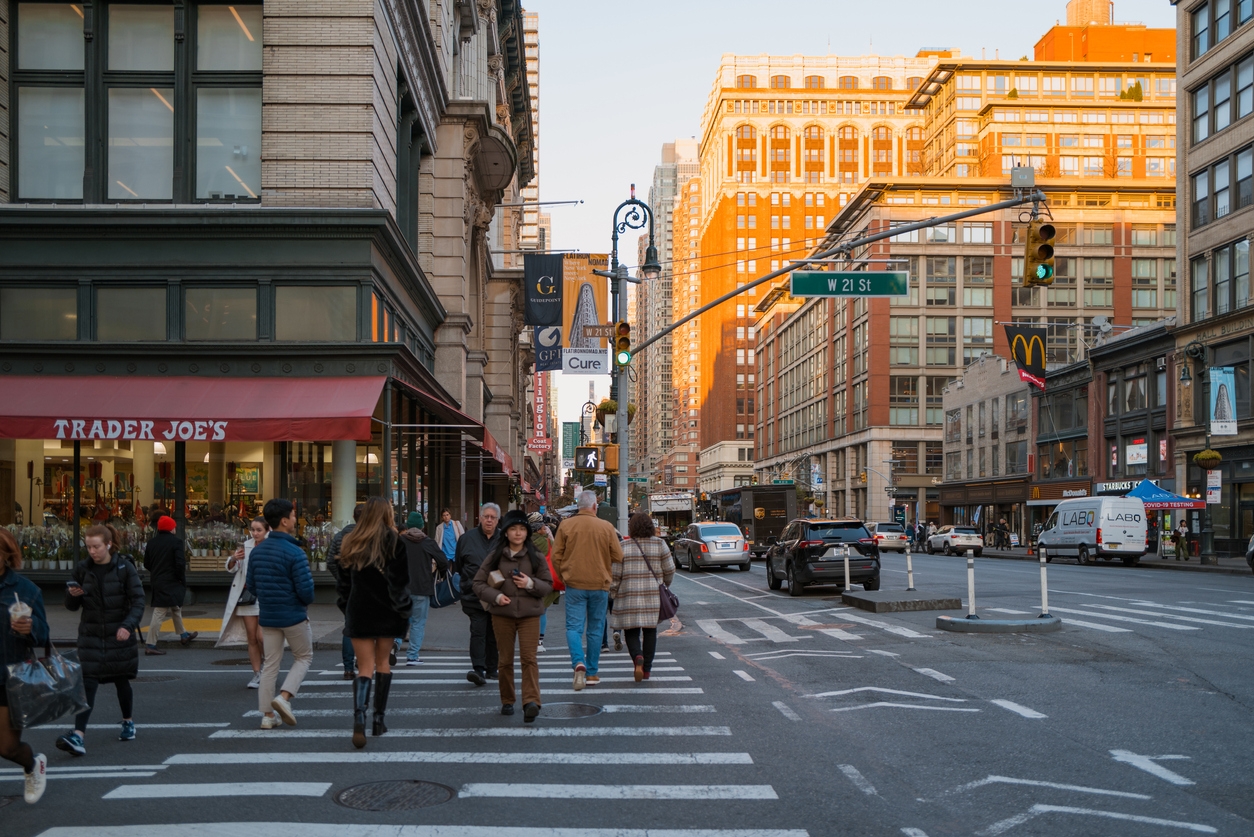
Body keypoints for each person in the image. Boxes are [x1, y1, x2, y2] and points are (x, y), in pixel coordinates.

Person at [56, 524, 145, 757]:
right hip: (91, 635)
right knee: (88, 684)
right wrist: (72, 596)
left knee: (121, 680)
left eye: (96, 546)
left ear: (108, 545)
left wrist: (128, 626)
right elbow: (71, 606)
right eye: (88, 546)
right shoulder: (82, 570)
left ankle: (128, 721)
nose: (92, 551)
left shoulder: (125, 568)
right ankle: (78, 735)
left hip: (119, 634)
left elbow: (138, 601)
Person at [337, 497, 412, 748]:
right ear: (387, 514)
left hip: (360, 611)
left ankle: (359, 715)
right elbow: (400, 583)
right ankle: (378, 720)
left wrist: (346, 608)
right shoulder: (394, 541)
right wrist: (404, 611)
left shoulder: (352, 541)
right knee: (383, 663)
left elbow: (343, 584)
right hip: (387, 611)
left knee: (364, 667)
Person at [472, 509, 553, 722]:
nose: (518, 533)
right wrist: (496, 597)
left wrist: (530, 584)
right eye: (513, 529)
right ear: (506, 532)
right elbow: (478, 583)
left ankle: (531, 702)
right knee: (505, 660)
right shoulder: (496, 555)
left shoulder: (535, 555)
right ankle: (507, 700)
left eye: (522, 529)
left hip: (530, 615)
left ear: (527, 532)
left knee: (529, 659)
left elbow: (548, 585)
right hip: (502, 615)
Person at [247, 498, 316, 729]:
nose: (296, 519)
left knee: (271, 664)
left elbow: (252, 587)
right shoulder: (295, 552)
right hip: (294, 614)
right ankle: (284, 697)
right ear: (285, 521)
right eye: (294, 516)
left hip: (268, 615)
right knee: (304, 656)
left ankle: (267, 715)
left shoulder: (257, 552)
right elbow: (306, 592)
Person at [552, 490, 623, 691]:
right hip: (600, 585)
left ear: (578, 506)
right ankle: (591, 673)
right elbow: (618, 556)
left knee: (574, 627)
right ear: (594, 506)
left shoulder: (565, 525)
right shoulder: (606, 527)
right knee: (595, 629)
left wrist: (564, 576)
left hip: (574, 584)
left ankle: (578, 662)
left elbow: (556, 556)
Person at [0, 529, 49, 804]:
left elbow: (43, 634)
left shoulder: (25, 590)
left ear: (7, 555)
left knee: (6, 747)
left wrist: (29, 626)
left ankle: (33, 765)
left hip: (9, 677)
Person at [611, 513, 675, 683]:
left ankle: (637, 656)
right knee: (650, 631)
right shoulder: (660, 544)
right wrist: (665, 584)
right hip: (652, 596)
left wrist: (612, 593)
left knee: (631, 631)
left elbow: (615, 575)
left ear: (632, 527)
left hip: (628, 596)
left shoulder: (623, 546)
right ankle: (646, 670)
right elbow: (670, 569)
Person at [218, 517, 269, 689]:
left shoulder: (272, 545)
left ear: (267, 530)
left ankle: (269, 670)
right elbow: (232, 568)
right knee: (252, 638)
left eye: (259, 530)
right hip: (248, 596)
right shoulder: (246, 546)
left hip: (266, 596)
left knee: (263, 637)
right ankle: (257, 674)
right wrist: (233, 558)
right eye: (252, 530)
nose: (255, 533)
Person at [454, 503, 501, 686]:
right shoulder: (466, 539)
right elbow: (459, 564)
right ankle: (478, 669)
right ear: (480, 518)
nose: (489, 520)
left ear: (497, 520)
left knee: (494, 633)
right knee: (478, 632)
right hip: (473, 596)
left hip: (496, 596)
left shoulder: (504, 539)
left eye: (493, 517)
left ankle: (492, 668)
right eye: (486, 517)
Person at [141, 515, 197, 656]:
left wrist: (158, 571)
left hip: (157, 580)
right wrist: (180, 579)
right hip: (171, 581)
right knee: (159, 612)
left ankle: (183, 635)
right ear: (171, 528)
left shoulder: (152, 543)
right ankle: (150, 644)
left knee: (175, 607)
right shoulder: (176, 542)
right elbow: (179, 564)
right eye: (174, 527)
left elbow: (146, 563)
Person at [399, 511, 447, 665]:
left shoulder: (399, 541)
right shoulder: (428, 542)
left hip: (401, 589)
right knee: (418, 623)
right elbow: (443, 561)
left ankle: (394, 644)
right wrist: (440, 573)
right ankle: (412, 656)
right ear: (422, 526)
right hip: (422, 587)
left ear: (407, 526)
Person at [327, 504, 365, 681]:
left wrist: (340, 578)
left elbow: (330, 561)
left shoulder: (340, 536)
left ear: (353, 516)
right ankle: (362, 661)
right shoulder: (368, 537)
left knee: (349, 626)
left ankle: (348, 667)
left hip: (347, 588)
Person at [528, 512, 554, 652]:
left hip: (529, 580)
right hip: (545, 581)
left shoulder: (525, 542)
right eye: (543, 527)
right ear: (538, 529)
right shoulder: (548, 542)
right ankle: (539, 641)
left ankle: (529, 639)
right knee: (543, 611)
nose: (545, 528)